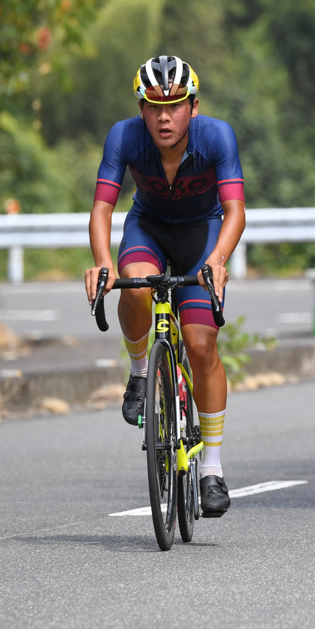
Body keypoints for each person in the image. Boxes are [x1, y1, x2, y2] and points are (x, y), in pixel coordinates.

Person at [84, 55, 247, 518]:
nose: (164, 116)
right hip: (148, 228)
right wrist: (100, 263)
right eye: (154, 106)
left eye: (174, 105)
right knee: (134, 286)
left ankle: (211, 468)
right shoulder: (124, 136)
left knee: (200, 343)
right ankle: (139, 375)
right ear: (141, 110)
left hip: (201, 234)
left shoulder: (218, 136)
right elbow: (103, 210)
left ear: (193, 107)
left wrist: (217, 260)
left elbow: (234, 210)